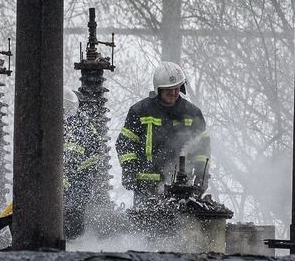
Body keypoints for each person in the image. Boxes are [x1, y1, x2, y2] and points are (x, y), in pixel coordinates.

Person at [115, 62, 210, 205]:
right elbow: (125, 144)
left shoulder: (192, 114)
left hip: (183, 189)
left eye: (176, 88)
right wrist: (129, 170)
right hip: (146, 187)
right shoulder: (139, 111)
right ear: (158, 89)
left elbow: (203, 148)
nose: (173, 93)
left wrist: (202, 175)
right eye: (168, 90)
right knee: (145, 226)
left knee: (182, 226)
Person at [63, 88, 102, 238]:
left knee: (74, 211)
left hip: (78, 182)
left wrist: (75, 173)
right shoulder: (49, 125)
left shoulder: (83, 125)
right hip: (51, 186)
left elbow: (96, 152)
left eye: (65, 109)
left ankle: (74, 241)